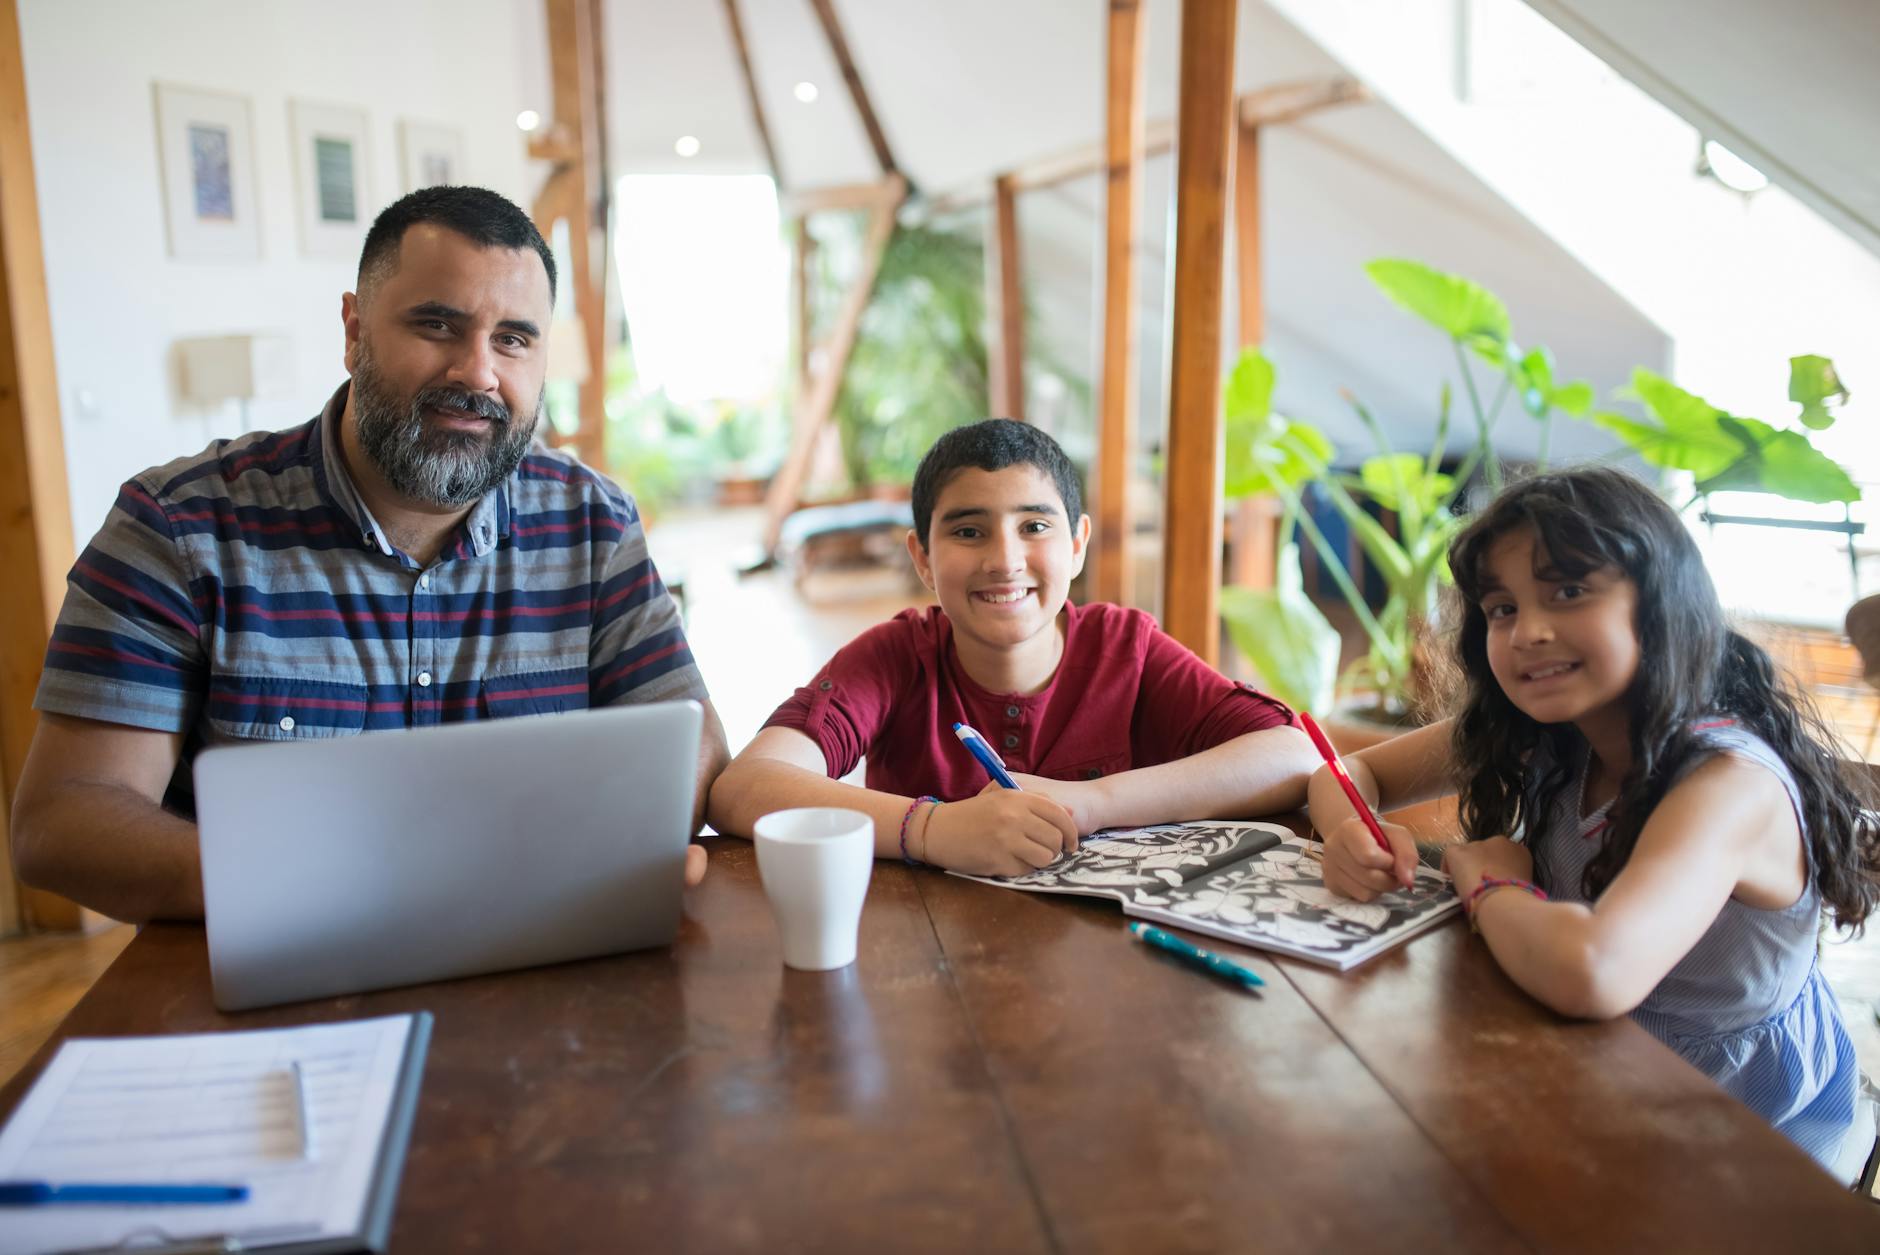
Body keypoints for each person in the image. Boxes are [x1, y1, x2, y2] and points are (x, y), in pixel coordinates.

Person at [11, 187, 727, 921]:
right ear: (353, 330)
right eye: (437, 324)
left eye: (513, 339)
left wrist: (600, 853)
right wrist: (354, 886)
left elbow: (691, 738)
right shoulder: (178, 528)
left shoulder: (591, 525)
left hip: (540, 952)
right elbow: (62, 821)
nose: (478, 372)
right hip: (272, 974)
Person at [1311, 467, 1880, 1182]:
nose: (1528, 631)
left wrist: (1488, 880)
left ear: (1661, 603)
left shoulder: (1729, 784)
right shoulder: (1556, 728)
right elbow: (1344, 772)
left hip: (1746, 1146)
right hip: (1591, 1066)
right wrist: (1350, 829)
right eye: (1503, 607)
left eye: (1568, 592)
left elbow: (1594, 971)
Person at [709, 419, 1318, 876]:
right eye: (969, 531)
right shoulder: (896, 657)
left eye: (1034, 527)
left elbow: (1292, 755)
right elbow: (745, 787)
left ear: (1077, 545)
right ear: (921, 557)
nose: (1004, 561)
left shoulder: (1124, 649)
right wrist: (931, 829)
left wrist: (1091, 803)